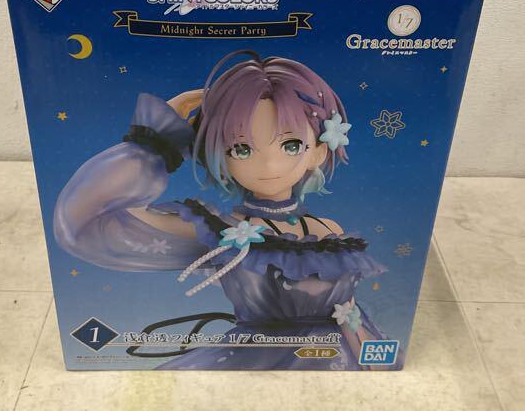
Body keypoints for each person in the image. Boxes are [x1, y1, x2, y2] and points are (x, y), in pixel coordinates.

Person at [54, 50, 401, 370]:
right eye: (242, 149)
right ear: (218, 156)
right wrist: (156, 140)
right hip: (256, 364)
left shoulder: (329, 232)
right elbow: (82, 221)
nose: (269, 164)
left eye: (291, 144)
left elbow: (349, 313)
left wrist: (375, 362)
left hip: (335, 363)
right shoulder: (221, 231)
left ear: (319, 151)